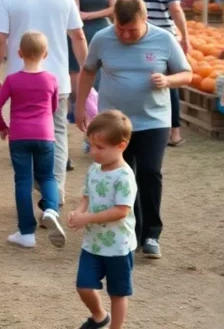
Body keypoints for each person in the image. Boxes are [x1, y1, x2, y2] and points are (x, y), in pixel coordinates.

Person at [76, 0, 192, 260]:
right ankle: (130, 231)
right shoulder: (103, 39)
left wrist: (168, 79)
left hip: (153, 120)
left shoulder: (163, 39)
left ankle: (151, 233)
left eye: (133, 30)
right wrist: (80, 106)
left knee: (150, 172)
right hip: (114, 122)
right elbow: (88, 71)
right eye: (121, 29)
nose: (126, 35)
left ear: (145, 19)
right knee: (120, 176)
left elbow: (187, 74)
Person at [0, 0, 87, 199]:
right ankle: (56, 191)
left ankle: (36, 181)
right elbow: (78, 37)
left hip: (19, 81)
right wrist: (86, 70)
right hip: (57, 81)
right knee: (57, 134)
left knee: (24, 131)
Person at [0, 31, 67, 249]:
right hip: (45, 135)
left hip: (19, 135)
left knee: (23, 181)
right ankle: (51, 209)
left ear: (19, 53)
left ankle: (26, 233)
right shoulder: (51, 79)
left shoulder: (13, 80)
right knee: (47, 177)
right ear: (46, 54)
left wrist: (2, 127)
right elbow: (53, 107)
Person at [67, 111, 138, 329]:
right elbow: (86, 197)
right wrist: (78, 213)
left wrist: (87, 217)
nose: (93, 152)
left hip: (118, 246)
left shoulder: (124, 176)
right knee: (84, 286)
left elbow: (121, 211)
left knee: (118, 293)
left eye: (100, 147)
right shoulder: (94, 170)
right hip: (93, 243)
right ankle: (99, 316)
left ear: (121, 145)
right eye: (90, 145)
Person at [120, 0, 190, 147]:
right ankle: (174, 133)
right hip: (163, 38)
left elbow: (122, 8)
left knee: (133, 80)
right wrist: (185, 36)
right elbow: (175, 10)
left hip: (134, 37)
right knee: (169, 84)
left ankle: (130, 127)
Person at [68, 0, 117, 107]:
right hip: (104, 28)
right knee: (105, 65)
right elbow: (114, 8)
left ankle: (83, 103)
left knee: (82, 66)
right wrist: (97, 14)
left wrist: (88, 15)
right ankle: (104, 99)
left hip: (82, 31)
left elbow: (77, 12)